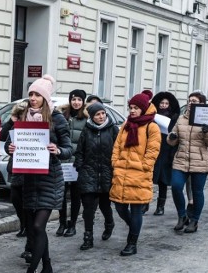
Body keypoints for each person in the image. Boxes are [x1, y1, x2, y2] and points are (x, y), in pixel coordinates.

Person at [6, 74, 72, 273]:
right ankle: (47, 265)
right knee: (36, 229)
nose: (33, 98)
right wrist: (11, 148)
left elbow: (69, 149)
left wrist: (58, 150)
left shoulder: (57, 119)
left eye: (37, 94)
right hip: (29, 180)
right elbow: (10, 141)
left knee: (37, 225)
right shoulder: (23, 117)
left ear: (45, 97)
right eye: (30, 94)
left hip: (50, 179)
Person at [110, 91, 161, 256]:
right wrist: (115, 163)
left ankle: (132, 243)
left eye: (136, 108)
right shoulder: (126, 125)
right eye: (130, 107)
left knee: (136, 209)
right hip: (121, 173)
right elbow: (117, 146)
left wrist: (144, 166)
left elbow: (153, 151)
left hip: (140, 174)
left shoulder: (151, 127)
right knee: (120, 208)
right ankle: (134, 227)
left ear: (143, 109)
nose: (132, 111)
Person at [167, 91, 208, 233]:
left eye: (194, 101)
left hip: (200, 161)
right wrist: (171, 137)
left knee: (197, 192)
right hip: (181, 159)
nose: (191, 103)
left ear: (201, 104)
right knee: (176, 187)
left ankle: (194, 220)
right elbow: (172, 141)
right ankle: (182, 216)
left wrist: (207, 131)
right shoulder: (181, 119)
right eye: (189, 100)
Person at [73, 102, 119, 250]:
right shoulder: (87, 130)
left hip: (107, 173)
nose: (101, 116)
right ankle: (88, 237)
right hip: (89, 173)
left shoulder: (113, 129)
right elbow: (80, 151)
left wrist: (115, 168)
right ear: (92, 116)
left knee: (105, 205)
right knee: (88, 208)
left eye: (103, 113)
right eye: (97, 114)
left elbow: (119, 149)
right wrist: (80, 167)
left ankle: (109, 223)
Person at [0, 99, 31, 261]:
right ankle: (23, 223)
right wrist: (12, 119)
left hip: (31, 169)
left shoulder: (35, 126)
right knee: (16, 199)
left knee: (28, 202)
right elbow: (4, 138)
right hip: (17, 168)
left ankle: (28, 235)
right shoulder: (15, 125)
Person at [56, 89, 88, 237]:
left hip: (77, 163)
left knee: (76, 196)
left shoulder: (86, 119)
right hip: (62, 160)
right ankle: (62, 223)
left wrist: (81, 161)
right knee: (61, 194)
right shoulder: (62, 116)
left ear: (83, 102)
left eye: (79, 100)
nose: (76, 102)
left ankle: (73, 224)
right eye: (74, 99)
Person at [150, 92, 180, 216]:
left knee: (163, 179)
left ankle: (160, 206)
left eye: (166, 103)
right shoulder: (152, 116)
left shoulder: (174, 117)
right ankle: (145, 204)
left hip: (167, 150)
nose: (163, 105)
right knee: (148, 178)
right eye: (161, 103)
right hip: (154, 148)